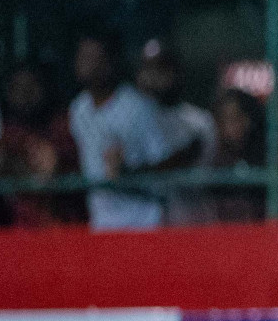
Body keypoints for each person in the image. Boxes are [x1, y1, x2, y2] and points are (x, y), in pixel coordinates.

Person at [68, 30, 193, 232]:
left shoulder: (137, 106)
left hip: (142, 221)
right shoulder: (78, 109)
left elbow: (165, 161)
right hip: (100, 223)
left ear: (109, 62)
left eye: (93, 57)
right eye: (82, 56)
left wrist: (127, 172)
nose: (85, 63)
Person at [0, 63, 83, 227]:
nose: (25, 93)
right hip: (19, 230)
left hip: (64, 226)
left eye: (31, 86)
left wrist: (58, 163)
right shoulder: (6, 135)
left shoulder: (64, 126)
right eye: (18, 87)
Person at [136, 39, 216, 225]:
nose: (152, 76)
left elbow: (178, 162)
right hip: (145, 227)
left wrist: (130, 172)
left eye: (160, 68)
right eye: (147, 68)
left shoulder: (198, 120)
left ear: (176, 71)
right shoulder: (136, 119)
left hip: (189, 223)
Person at [207, 88, 266, 223]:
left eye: (235, 117)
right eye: (224, 119)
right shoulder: (215, 158)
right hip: (227, 236)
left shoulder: (266, 154)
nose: (229, 126)